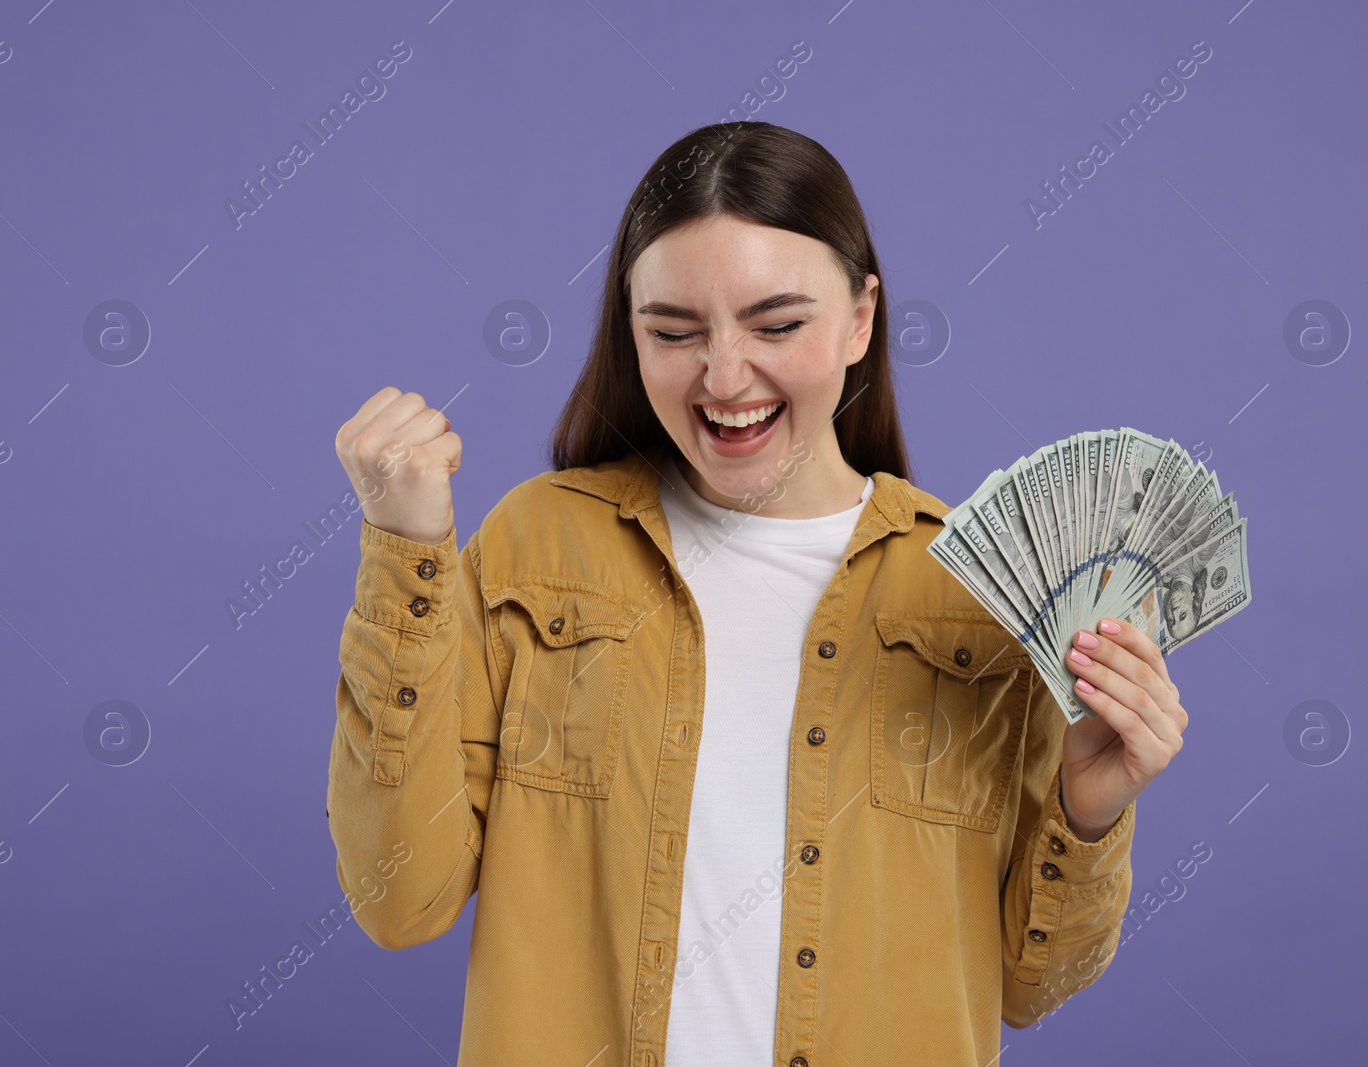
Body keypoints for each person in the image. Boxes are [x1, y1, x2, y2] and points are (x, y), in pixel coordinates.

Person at [327, 121, 1191, 1067]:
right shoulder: (539, 547)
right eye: (673, 331)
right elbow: (398, 901)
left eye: (777, 324)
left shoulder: (976, 592)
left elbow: (1031, 986)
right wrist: (404, 549)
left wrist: (1089, 808)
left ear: (862, 318)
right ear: (630, 325)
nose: (724, 377)